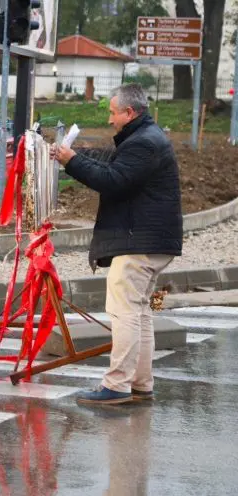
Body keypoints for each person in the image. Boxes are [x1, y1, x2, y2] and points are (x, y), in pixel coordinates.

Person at [51, 83, 183, 405]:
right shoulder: (144, 138)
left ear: (129, 112)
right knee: (139, 312)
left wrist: (71, 162)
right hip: (151, 240)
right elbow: (112, 164)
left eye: (113, 112)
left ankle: (116, 385)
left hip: (139, 241)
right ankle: (140, 383)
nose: (110, 119)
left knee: (124, 311)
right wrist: (75, 156)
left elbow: (113, 181)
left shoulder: (143, 144)